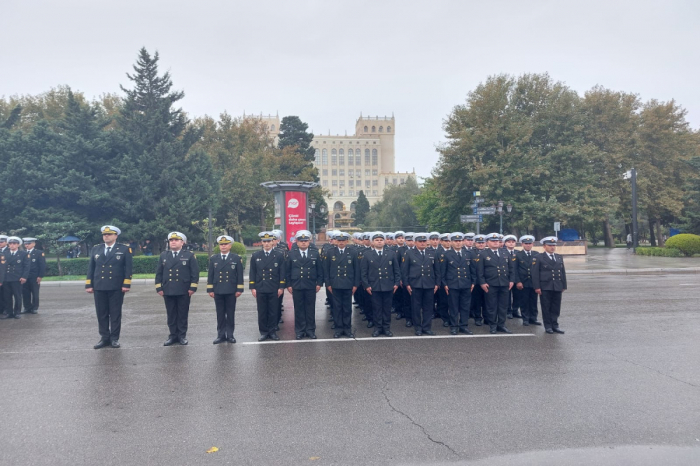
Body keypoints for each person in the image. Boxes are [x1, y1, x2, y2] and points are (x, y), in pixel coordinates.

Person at [85, 226, 133, 348]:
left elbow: (128, 268)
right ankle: (104, 337)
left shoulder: (124, 249)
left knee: (115, 313)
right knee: (101, 313)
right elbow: (91, 268)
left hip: (116, 286)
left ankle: (114, 338)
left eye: (110, 234)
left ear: (116, 236)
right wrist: (89, 284)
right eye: (105, 234)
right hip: (99, 286)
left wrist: (126, 283)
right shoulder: (96, 249)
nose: (106, 236)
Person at [156, 232, 199, 346]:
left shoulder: (189, 255)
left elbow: (194, 273)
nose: (173, 242)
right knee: (171, 314)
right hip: (168, 289)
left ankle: (182, 336)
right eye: (171, 240)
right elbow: (159, 273)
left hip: (183, 289)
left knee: (182, 314)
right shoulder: (164, 255)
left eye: (176, 240)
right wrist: (159, 287)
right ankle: (173, 336)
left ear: (182, 242)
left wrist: (192, 287)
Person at [361, 232, 401, 337]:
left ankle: (386, 328)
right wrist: (366, 285)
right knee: (376, 308)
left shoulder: (391, 253)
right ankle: (377, 328)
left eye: (381, 240)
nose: (379, 242)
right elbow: (363, 272)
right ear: (373, 242)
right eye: (377, 240)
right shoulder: (367, 254)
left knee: (387, 309)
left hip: (388, 285)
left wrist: (397, 283)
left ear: (384, 242)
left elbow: (396, 270)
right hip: (374, 286)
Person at [286, 230, 323, 340]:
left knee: (310, 309)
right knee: (299, 309)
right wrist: (289, 285)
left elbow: (320, 270)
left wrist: (319, 283)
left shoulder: (315, 253)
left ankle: (310, 330)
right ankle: (300, 331)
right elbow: (287, 271)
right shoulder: (291, 254)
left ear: (309, 242)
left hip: (311, 285)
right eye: (301, 241)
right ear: (296, 242)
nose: (303, 243)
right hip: (297, 285)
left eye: (305, 241)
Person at [207, 235, 243, 344]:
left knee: (230, 313)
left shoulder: (236, 258)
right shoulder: (214, 258)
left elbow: (239, 275)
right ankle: (221, 335)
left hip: (231, 290)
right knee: (220, 313)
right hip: (218, 290)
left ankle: (230, 335)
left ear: (230, 246)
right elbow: (211, 275)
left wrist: (239, 289)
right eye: (221, 244)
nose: (223, 246)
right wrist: (210, 289)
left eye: (225, 244)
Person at [250, 232, 286, 341]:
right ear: (262, 242)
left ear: (273, 242)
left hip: (273, 288)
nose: (266, 244)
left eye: (269, 241)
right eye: (264, 241)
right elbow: (253, 272)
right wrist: (253, 287)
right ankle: (264, 332)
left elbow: (282, 272)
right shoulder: (256, 256)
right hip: (260, 287)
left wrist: (281, 287)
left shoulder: (279, 255)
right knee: (262, 311)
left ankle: (272, 331)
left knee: (273, 311)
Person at [402, 233, 440, 336]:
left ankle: (427, 327)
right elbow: (405, 270)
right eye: (420, 241)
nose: (422, 243)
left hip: (429, 283)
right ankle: (418, 327)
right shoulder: (409, 253)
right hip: (415, 284)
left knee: (428, 307)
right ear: (415, 242)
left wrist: (437, 283)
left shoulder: (432, 253)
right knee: (416, 307)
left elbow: (437, 270)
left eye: (424, 241)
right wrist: (407, 284)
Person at [477, 233, 515, 334]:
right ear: (487, 243)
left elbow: (511, 268)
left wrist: (511, 280)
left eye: (497, 241)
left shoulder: (505, 253)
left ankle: (501, 325)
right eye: (493, 241)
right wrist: (482, 283)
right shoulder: (483, 254)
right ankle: (493, 325)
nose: (495, 242)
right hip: (490, 284)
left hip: (504, 283)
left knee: (503, 306)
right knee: (491, 306)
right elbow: (480, 271)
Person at [324, 232, 358, 338]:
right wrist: (328, 284)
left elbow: (357, 270)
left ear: (347, 241)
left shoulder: (353, 252)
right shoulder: (330, 252)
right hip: (335, 284)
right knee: (337, 308)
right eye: (339, 241)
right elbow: (326, 270)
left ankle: (347, 329)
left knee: (347, 308)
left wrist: (355, 284)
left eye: (343, 241)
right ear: (336, 241)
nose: (341, 242)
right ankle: (338, 329)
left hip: (348, 283)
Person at [440, 233, 476, 335]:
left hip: (466, 283)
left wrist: (473, 282)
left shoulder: (468, 253)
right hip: (452, 284)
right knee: (453, 306)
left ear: (463, 242)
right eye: (456, 241)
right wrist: (445, 284)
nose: (458, 243)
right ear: (451, 242)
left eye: (460, 241)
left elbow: (473, 269)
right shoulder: (446, 254)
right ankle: (454, 326)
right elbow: (443, 271)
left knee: (465, 306)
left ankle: (464, 326)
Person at [532, 236, 567, 334]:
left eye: (553, 245)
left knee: (556, 307)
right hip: (545, 286)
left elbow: (562, 272)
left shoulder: (559, 257)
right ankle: (548, 326)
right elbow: (535, 274)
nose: (552, 247)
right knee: (546, 307)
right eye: (550, 245)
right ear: (544, 246)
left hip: (557, 285)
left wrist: (564, 285)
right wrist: (537, 287)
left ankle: (555, 325)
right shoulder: (539, 257)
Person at [514, 236, 542, 326]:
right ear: (522, 244)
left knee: (533, 301)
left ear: (532, 244)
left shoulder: (537, 254)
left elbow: (539, 270)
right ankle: (525, 319)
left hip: (534, 282)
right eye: (526, 244)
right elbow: (515, 270)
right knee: (524, 301)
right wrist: (518, 281)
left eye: (530, 243)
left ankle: (533, 318)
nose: (528, 245)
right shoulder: (518, 255)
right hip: (523, 282)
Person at [1, 237, 29, 320]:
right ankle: (9, 313)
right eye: (10, 244)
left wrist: (24, 276)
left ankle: (17, 312)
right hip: (6, 278)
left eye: (14, 244)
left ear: (18, 244)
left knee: (17, 296)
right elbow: (2, 267)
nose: (12, 245)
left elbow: (26, 266)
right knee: (7, 297)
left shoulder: (23, 254)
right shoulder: (4, 253)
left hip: (17, 278)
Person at [21, 238, 46, 314]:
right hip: (25, 277)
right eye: (26, 244)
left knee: (35, 293)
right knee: (25, 293)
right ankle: (27, 307)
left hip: (34, 276)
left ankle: (34, 307)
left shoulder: (39, 253)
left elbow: (42, 265)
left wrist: (40, 276)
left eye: (29, 244)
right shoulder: (22, 253)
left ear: (34, 244)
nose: (27, 245)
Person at [502, 235, 522, 319]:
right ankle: (508, 311)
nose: (511, 244)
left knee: (517, 295)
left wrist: (518, 280)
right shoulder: (502, 252)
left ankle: (515, 310)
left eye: (513, 242)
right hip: (506, 278)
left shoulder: (518, 253)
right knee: (507, 296)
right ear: (505, 243)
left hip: (517, 278)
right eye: (509, 242)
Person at [0, 235, 8, 317]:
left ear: (6, 242)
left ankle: (6, 309)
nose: (0, 243)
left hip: (6, 276)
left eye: (1, 242)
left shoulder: (9, 251)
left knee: (6, 294)